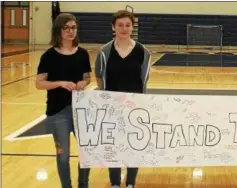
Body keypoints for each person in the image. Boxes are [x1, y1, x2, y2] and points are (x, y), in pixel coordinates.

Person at [94, 10, 152, 188]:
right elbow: (99, 77)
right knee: (114, 146)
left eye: (127, 25)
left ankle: (131, 183)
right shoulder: (104, 52)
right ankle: (114, 183)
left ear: (132, 27)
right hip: (111, 108)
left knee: (133, 146)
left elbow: (144, 80)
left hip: (135, 109)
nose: (124, 29)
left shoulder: (143, 52)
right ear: (113, 27)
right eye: (120, 25)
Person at [35, 13, 91, 188]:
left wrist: (84, 82)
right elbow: (39, 83)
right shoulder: (49, 56)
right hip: (58, 112)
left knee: (86, 151)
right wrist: (60, 83)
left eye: (73, 27)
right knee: (63, 155)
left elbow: (87, 77)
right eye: (66, 28)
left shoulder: (82, 53)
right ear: (58, 30)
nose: (70, 31)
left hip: (80, 110)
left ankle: (83, 184)